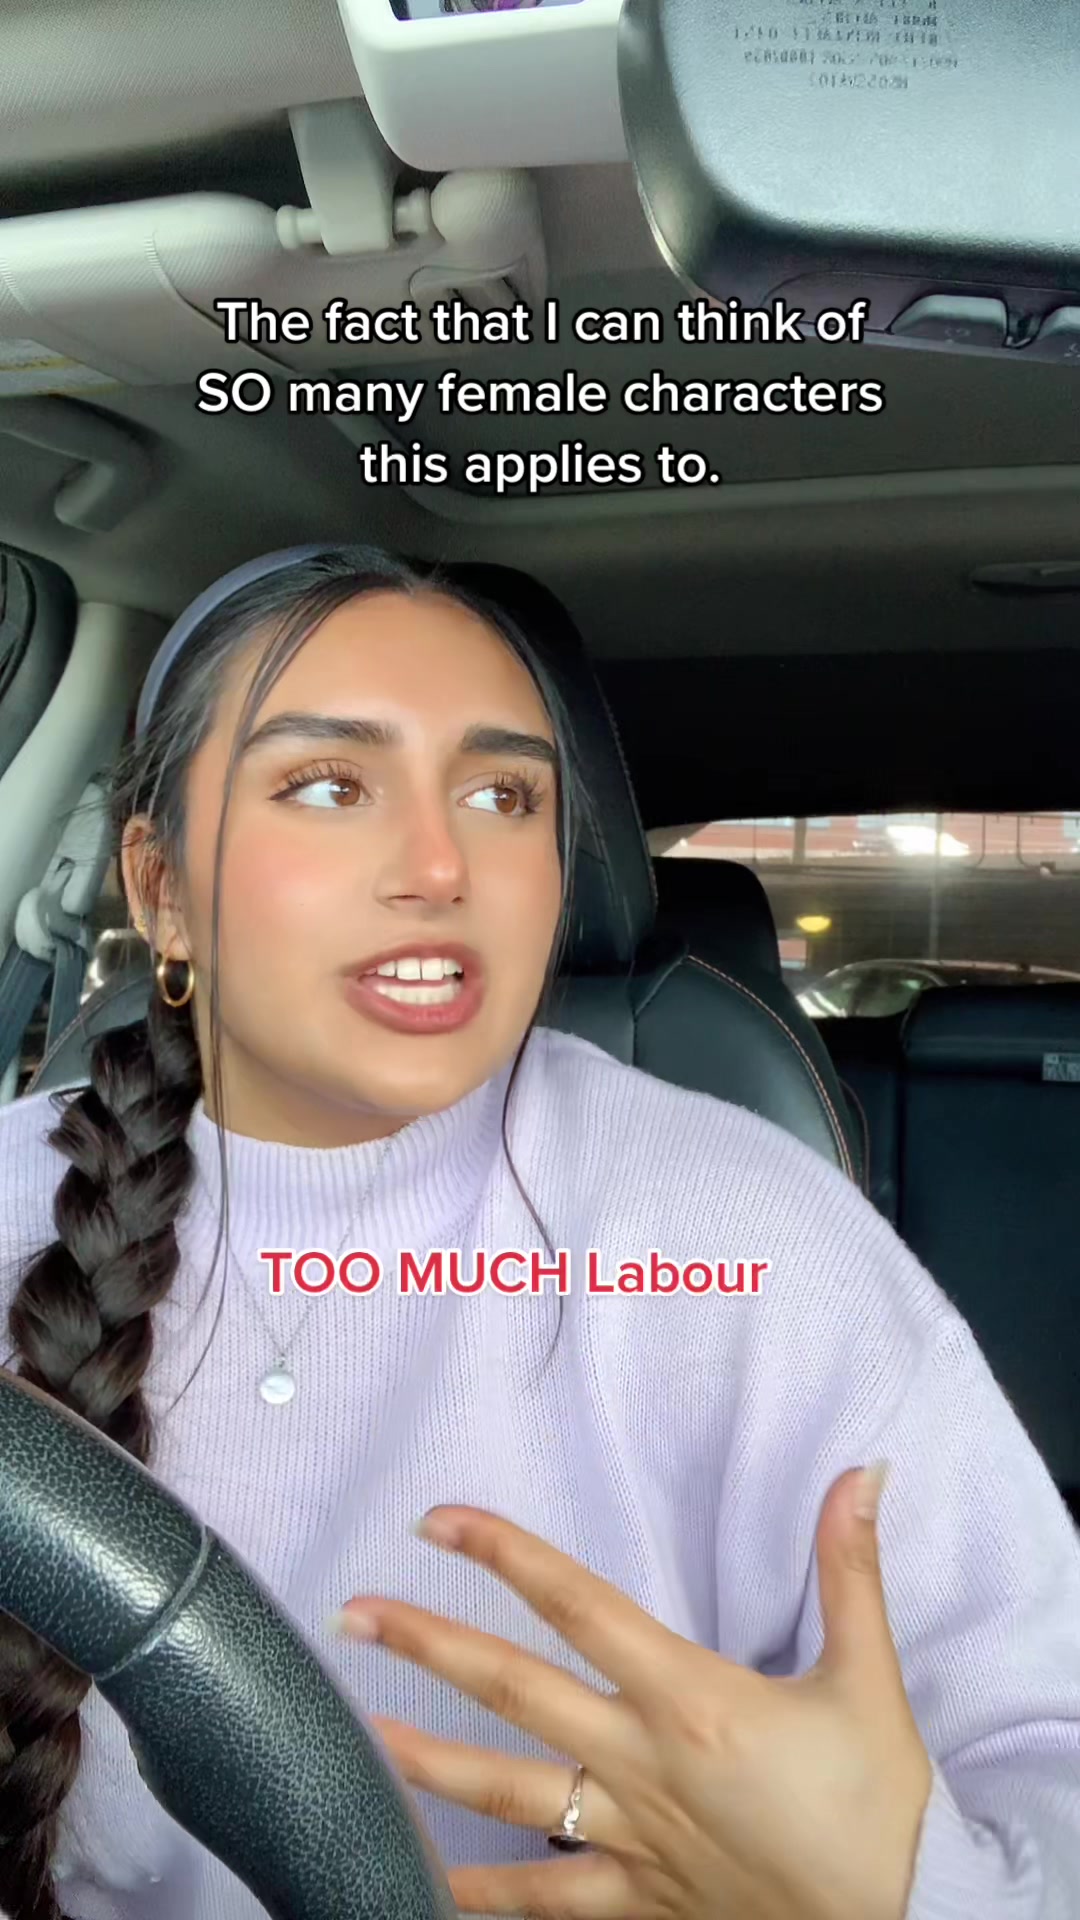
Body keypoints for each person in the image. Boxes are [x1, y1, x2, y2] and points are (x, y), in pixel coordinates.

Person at [0, 543, 1077, 1920]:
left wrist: (898, 1893)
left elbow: (1045, 1743)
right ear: (159, 887)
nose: (440, 864)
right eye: (328, 785)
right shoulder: (20, 1197)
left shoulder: (742, 1231)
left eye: (504, 796)